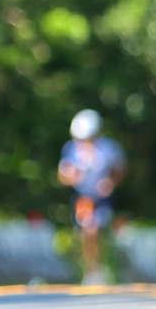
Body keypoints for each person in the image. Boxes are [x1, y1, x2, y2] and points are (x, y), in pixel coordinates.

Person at [57, 109, 126, 285]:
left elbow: (120, 168)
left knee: (99, 231)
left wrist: (110, 182)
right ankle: (93, 270)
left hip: (102, 199)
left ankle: (104, 267)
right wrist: (70, 175)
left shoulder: (108, 148)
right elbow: (62, 175)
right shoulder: (71, 149)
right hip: (83, 198)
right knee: (89, 230)